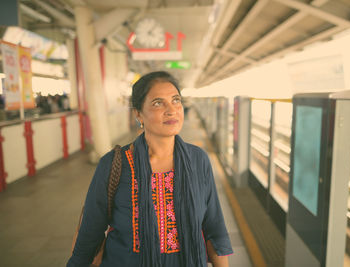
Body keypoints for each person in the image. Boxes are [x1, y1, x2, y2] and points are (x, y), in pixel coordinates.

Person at [67, 71, 233, 267]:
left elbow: (214, 229)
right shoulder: (113, 164)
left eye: (175, 100)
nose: (171, 110)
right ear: (138, 114)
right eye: (158, 103)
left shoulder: (198, 160)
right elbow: (89, 234)